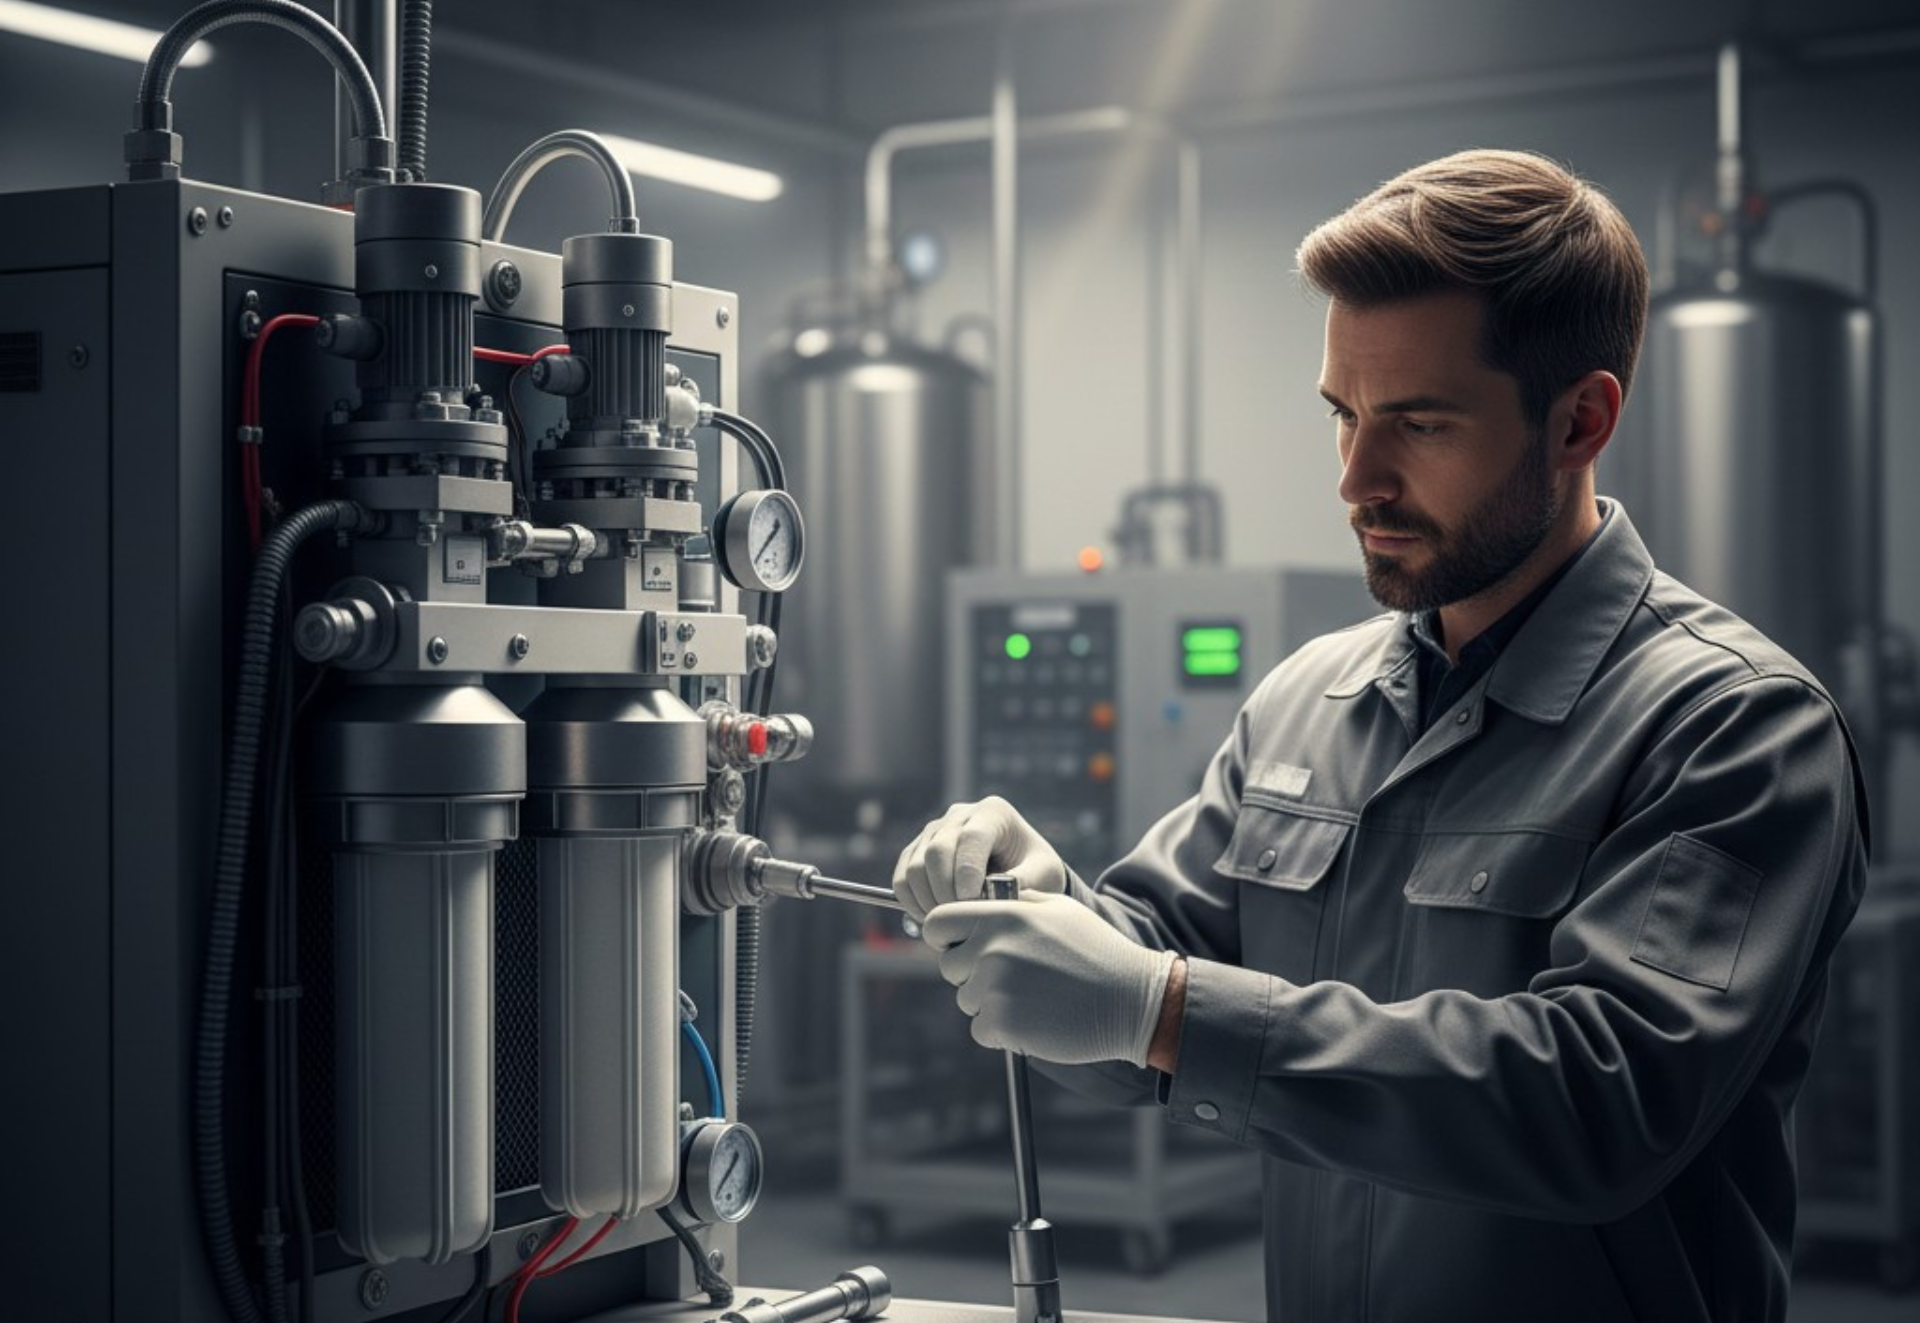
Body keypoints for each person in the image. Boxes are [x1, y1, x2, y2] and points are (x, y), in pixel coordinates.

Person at [891, 149, 1869, 1323]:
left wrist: (1154, 1004)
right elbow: (1145, 981)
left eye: (1418, 422)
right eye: (1342, 415)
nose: (1358, 477)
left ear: (1580, 421)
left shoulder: (1733, 727)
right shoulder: (1308, 700)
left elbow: (1599, 1105)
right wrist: (1046, 910)